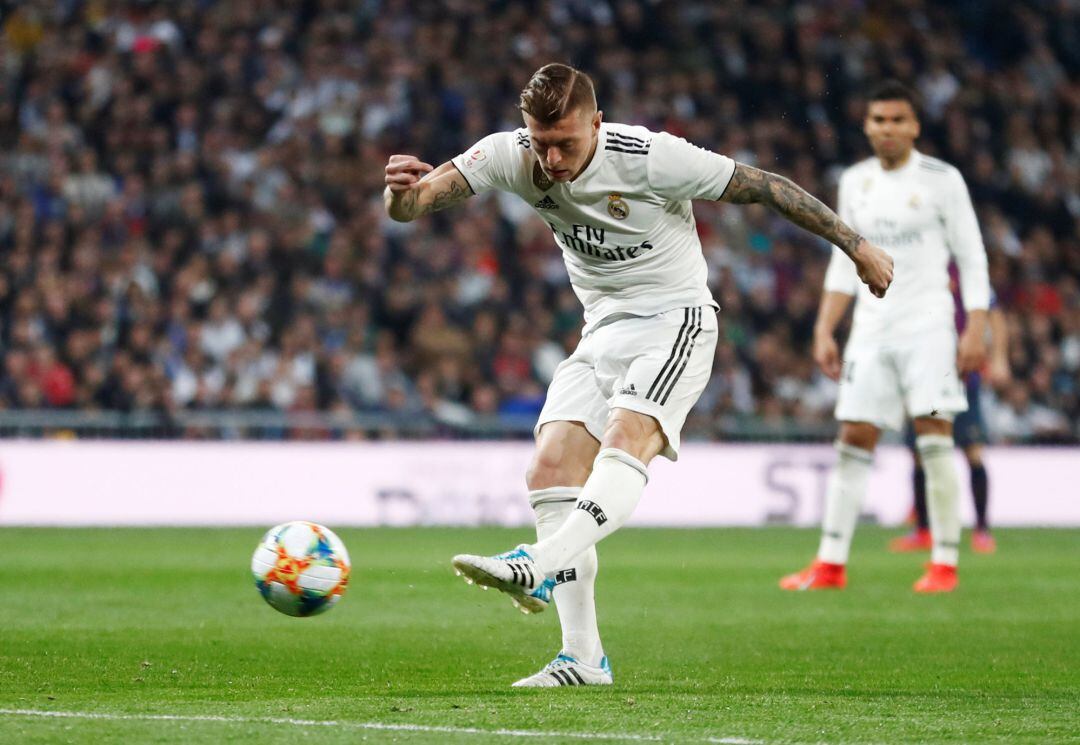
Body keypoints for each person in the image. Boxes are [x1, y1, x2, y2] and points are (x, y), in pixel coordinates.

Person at [384, 63, 893, 687]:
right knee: (550, 469)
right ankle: (583, 658)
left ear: (597, 124)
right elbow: (417, 204)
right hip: (602, 329)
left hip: (674, 319)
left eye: (566, 143)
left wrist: (858, 246)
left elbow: (764, 186)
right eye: (540, 141)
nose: (551, 158)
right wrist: (400, 197)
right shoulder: (510, 156)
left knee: (629, 439)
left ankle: (538, 562)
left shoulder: (652, 157)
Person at [779, 80, 991, 594]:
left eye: (898, 119)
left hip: (929, 328)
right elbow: (841, 258)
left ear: (915, 126)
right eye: (879, 120)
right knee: (853, 435)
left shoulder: (943, 179)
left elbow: (972, 256)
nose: (888, 129)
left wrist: (976, 329)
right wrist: (826, 326)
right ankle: (830, 563)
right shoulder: (855, 181)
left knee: (934, 436)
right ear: (867, 125)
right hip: (871, 331)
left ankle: (944, 562)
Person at [890, 300, 1009, 554]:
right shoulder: (920, 271)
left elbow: (993, 313)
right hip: (923, 376)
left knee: (973, 450)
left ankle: (982, 530)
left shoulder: (964, 266)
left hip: (962, 377)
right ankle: (923, 530)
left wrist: (999, 357)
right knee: (919, 452)